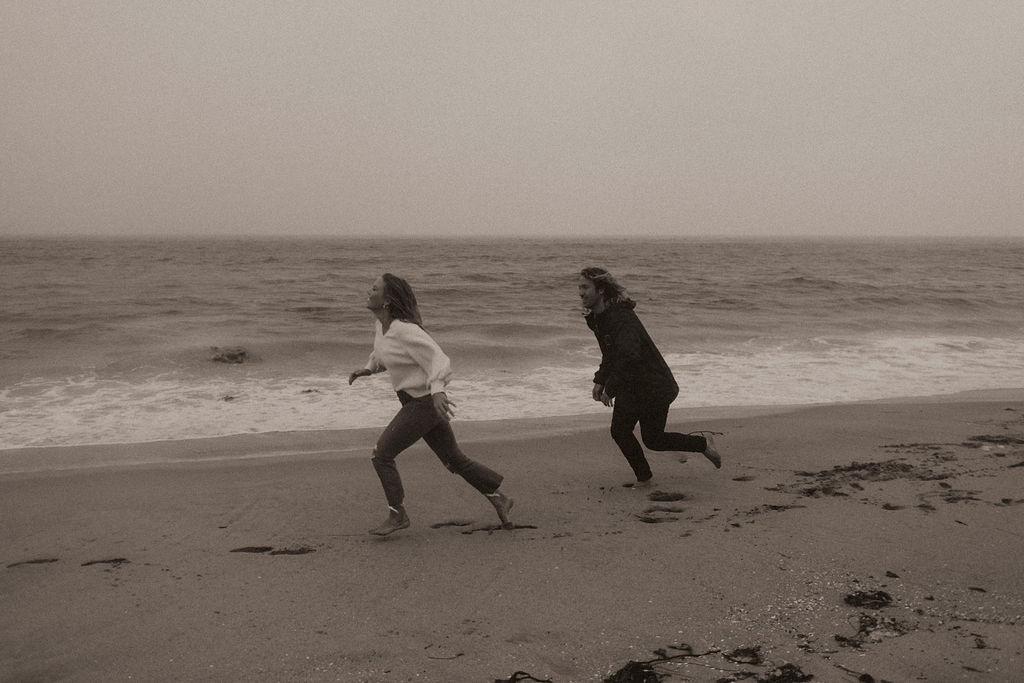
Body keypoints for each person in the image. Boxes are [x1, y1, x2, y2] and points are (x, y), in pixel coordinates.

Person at [348, 273, 514, 535]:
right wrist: (368, 369)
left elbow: (438, 359)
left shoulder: (406, 330)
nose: (368, 291)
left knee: (381, 455)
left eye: (374, 288)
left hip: (423, 403)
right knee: (454, 461)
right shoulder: (383, 327)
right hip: (416, 402)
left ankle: (397, 514)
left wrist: (437, 391)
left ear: (388, 299)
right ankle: (499, 498)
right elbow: (383, 354)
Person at [578, 266, 722, 487]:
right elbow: (611, 354)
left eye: (585, 287)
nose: (580, 292)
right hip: (633, 384)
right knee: (628, 433)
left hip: (654, 384)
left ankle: (702, 445)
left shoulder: (620, 317)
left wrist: (611, 386)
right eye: (579, 287)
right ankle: (647, 477)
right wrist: (600, 379)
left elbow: (629, 355)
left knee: (650, 438)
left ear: (601, 291)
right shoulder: (599, 318)